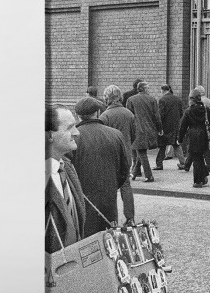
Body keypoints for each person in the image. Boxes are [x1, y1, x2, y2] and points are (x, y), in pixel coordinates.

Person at [45, 104, 86, 293]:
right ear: (48, 135)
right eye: (69, 127)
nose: (77, 133)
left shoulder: (67, 167)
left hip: (67, 280)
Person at [69, 97, 135, 238]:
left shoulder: (73, 138)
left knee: (85, 241)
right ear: (98, 112)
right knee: (108, 239)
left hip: (83, 198)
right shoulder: (115, 135)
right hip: (108, 196)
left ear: (77, 115)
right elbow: (124, 169)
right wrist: (111, 185)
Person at [126, 81, 162, 182]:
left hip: (137, 129)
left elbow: (129, 116)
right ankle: (134, 172)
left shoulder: (131, 100)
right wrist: (160, 129)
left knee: (141, 151)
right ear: (145, 89)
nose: (149, 90)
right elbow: (157, 116)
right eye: (148, 88)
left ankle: (149, 175)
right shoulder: (152, 99)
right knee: (141, 151)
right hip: (150, 129)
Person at [178, 90, 210, 188]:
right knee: (200, 157)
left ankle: (198, 181)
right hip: (203, 135)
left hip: (193, 136)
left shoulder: (189, 111)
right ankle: (204, 177)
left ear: (191, 99)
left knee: (196, 160)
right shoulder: (205, 109)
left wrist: (180, 139)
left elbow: (183, 126)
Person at [100, 85, 135, 156]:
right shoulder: (129, 114)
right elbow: (134, 135)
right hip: (126, 153)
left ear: (106, 98)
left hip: (110, 155)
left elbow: (101, 138)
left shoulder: (104, 116)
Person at [156, 84, 184, 170]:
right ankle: (183, 162)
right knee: (176, 144)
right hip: (175, 125)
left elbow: (161, 115)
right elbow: (181, 113)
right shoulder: (177, 99)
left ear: (163, 90)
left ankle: (159, 164)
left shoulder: (162, 100)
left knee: (162, 145)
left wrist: (159, 127)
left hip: (165, 126)